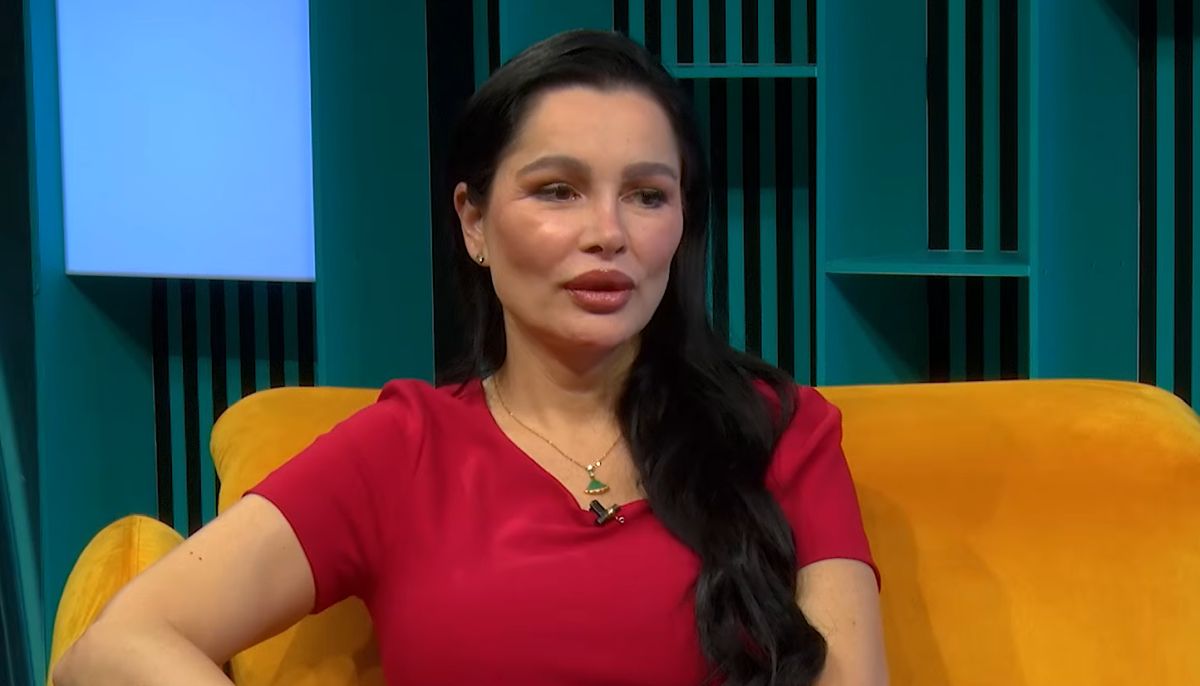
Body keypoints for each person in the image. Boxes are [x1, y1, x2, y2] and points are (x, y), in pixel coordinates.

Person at [54, 29, 886, 686]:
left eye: (646, 194)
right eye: (557, 190)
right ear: (474, 222)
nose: (609, 233)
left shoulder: (778, 431)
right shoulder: (402, 450)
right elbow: (114, 648)